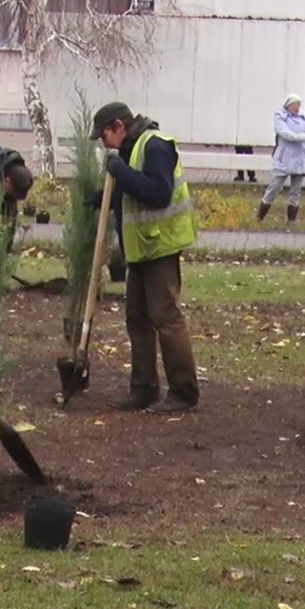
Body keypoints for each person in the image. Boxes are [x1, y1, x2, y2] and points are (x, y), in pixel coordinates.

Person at [90, 101, 199, 414]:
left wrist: (121, 173)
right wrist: (103, 200)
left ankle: (183, 391)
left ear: (119, 127)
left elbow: (158, 193)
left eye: (104, 135)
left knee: (166, 318)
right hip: (140, 249)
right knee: (137, 319)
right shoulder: (131, 148)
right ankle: (143, 389)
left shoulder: (155, 146)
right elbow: (133, 193)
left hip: (160, 247)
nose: (103, 142)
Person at [256, 94, 305, 227]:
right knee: (273, 188)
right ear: (288, 106)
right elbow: (286, 135)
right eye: (294, 105)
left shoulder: (303, 119)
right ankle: (259, 216)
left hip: (299, 161)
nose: (297, 108)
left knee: (296, 192)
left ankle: (291, 220)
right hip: (284, 159)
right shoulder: (281, 118)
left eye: (299, 105)